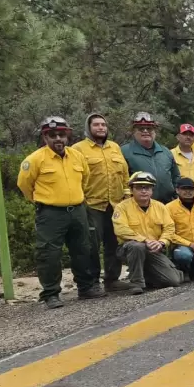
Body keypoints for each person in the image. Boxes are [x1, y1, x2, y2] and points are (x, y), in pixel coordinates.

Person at [18, 117, 99, 308]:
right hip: (51, 214)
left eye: (61, 135)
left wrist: (77, 198)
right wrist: (40, 200)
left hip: (78, 210)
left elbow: (85, 179)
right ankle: (51, 294)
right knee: (49, 254)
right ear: (45, 137)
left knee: (82, 249)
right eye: (52, 135)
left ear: (67, 136)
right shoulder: (34, 160)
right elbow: (24, 185)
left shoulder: (77, 156)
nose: (58, 139)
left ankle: (86, 288)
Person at [73, 113, 132, 294]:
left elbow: (124, 174)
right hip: (92, 205)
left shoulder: (114, 147)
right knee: (91, 245)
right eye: (96, 125)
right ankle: (92, 283)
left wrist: (127, 193)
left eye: (103, 125)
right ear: (88, 128)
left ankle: (112, 280)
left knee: (113, 243)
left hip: (114, 204)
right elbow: (75, 176)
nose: (101, 128)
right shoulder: (78, 149)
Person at [113, 172, 184, 293]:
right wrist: (145, 240)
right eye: (139, 187)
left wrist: (161, 242)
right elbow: (120, 229)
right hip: (129, 248)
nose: (144, 191)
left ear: (152, 190)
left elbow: (169, 227)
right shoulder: (122, 207)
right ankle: (136, 283)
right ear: (131, 190)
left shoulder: (160, 207)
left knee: (174, 281)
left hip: (154, 249)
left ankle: (150, 275)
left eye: (147, 187)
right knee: (137, 247)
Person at [121, 112, 179, 203]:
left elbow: (176, 176)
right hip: (138, 205)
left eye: (149, 128)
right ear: (134, 132)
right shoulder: (124, 151)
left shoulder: (165, 151)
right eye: (141, 129)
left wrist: (176, 196)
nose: (145, 131)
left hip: (167, 204)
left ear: (154, 131)